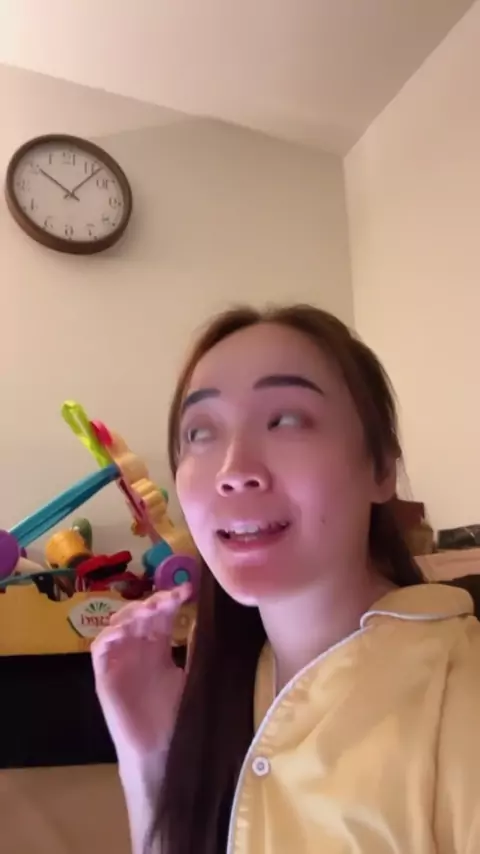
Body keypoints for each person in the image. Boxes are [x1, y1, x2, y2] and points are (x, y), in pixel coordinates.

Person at [92, 304, 480, 854]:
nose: (233, 470)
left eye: (286, 420)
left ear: (381, 469)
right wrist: (151, 757)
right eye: (200, 432)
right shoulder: (226, 677)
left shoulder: (460, 694)